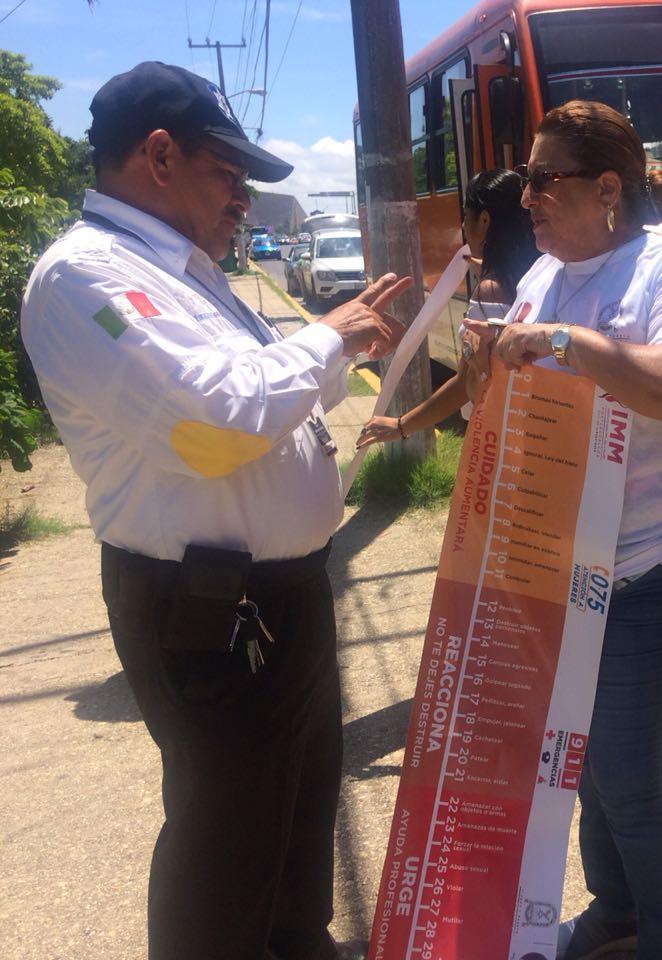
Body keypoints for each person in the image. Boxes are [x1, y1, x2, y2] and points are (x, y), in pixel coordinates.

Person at [20, 63, 411, 960]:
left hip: (283, 591)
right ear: (158, 155)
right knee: (228, 833)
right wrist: (330, 336)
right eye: (228, 173)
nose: (244, 199)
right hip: (206, 604)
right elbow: (209, 424)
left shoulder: (185, 271)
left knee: (299, 806)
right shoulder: (84, 279)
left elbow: (254, 402)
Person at [466, 100, 662, 960]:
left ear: (607, 188)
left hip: (651, 565)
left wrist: (564, 344)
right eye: (522, 183)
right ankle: (618, 912)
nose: (526, 199)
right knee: (578, 763)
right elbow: (514, 409)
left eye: (544, 180)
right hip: (555, 564)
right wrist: (486, 370)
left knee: (634, 782)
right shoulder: (542, 280)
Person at [355, 168, 538, 448]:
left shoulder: (490, 290)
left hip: (494, 435)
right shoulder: (535, 274)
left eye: (467, 217)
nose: (464, 227)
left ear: (484, 220)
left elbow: (465, 384)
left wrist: (400, 425)